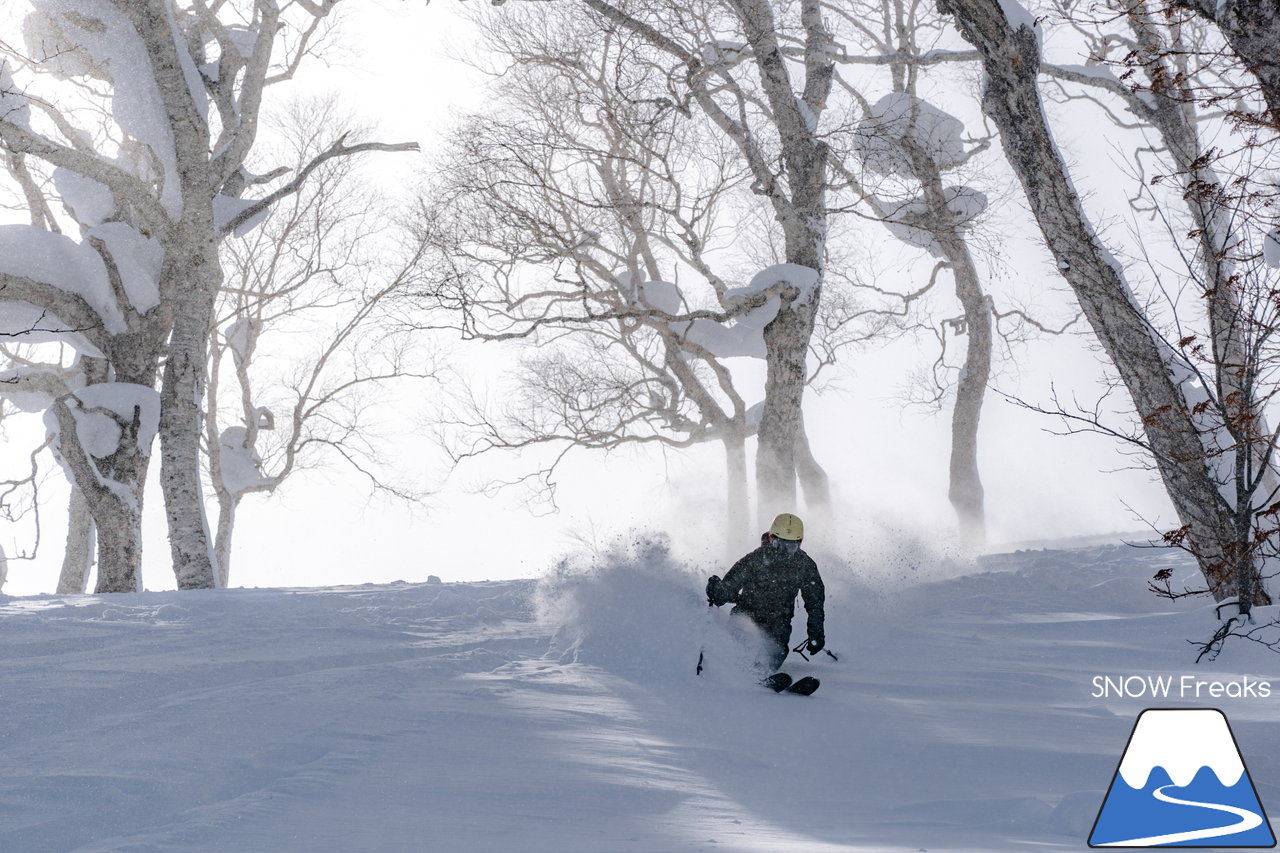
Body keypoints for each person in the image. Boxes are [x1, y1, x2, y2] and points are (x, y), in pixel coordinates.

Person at [705, 512, 825, 675]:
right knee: (743, 641)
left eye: (791, 547)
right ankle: (738, 670)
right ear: (770, 539)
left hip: (779, 622)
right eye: (778, 544)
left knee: (776, 654)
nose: (783, 552)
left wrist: (816, 633)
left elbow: (815, 602)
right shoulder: (755, 560)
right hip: (746, 615)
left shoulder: (804, 565)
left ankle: (764, 673)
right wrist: (716, 590)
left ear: (800, 543)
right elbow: (728, 589)